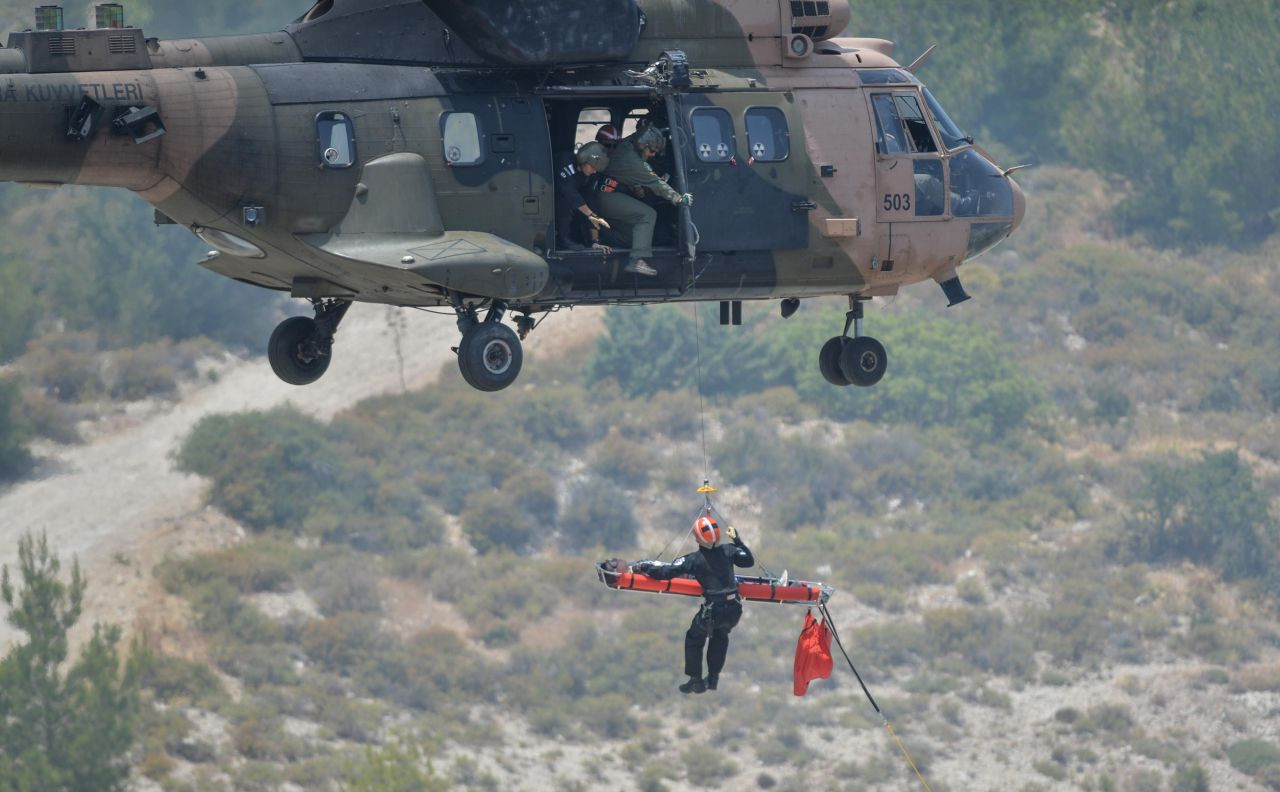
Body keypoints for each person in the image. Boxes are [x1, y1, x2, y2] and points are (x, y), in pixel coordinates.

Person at [634, 512, 753, 694]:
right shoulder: (729, 551)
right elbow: (748, 560)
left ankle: (696, 680)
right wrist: (738, 540)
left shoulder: (693, 560)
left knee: (694, 638)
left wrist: (644, 567)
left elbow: (665, 572)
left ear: (697, 538)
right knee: (720, 638)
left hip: (714, 610)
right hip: (734, 609)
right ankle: (713, 679)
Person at [593, 126, 693, 277]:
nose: (652, 155)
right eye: (651, 151)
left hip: (608, 195)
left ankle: (600, 233)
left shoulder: (629, 145)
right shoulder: (631, 159)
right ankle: (636, 260)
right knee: (648, 215)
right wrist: (677, 198)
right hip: (606, 196)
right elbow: (655, 183)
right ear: (643, 145)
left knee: (635, 237)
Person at [554, 141, 613, 252]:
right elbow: (569, 193)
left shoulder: (589, 175)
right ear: (583, 159)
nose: (594, 171)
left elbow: (591, 201)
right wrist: (590, 214)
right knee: (564, 202)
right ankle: (562, 238)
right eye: (592, 167)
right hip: (551, 197)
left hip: (570, 199)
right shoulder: (566, 163)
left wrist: (595, 241)